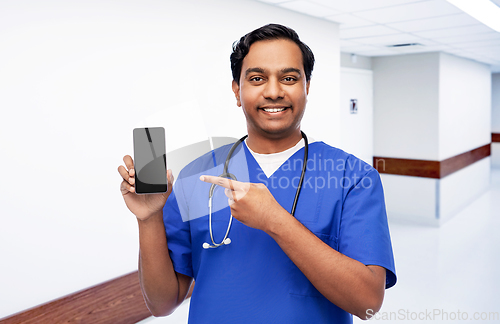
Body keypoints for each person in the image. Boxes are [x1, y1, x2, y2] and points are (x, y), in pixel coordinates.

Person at [118, 23, 396, 323]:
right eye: (257, 78)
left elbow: (368, 302)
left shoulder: (353, 177)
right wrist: (148, 220)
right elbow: (161, 304)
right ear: (237, 90)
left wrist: (275, 220)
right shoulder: (195, 176)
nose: (274, 91)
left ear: (307, 87)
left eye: (289, 78)